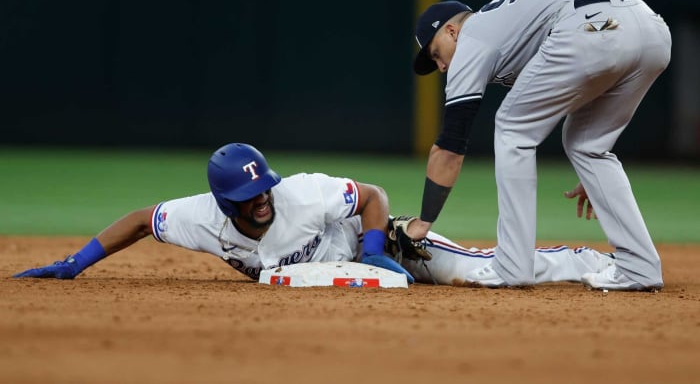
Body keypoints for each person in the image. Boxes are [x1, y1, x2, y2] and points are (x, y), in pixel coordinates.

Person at [13, 143, 614, 285]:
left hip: (374, 247)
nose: (263, 199)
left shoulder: (300, 192)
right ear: (225, 206)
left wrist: (379, 249)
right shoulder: (201, 218)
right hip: (324, 280)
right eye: (250, 198)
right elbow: (144, 218)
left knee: (483, 273)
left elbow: (373, 194)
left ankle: (591, 262)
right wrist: (76, 263)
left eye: (264, 188)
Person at [404, 0, 671, 291]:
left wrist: (423, 223)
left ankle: (512, 265)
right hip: (652, 31)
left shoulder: (472, 35)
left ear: (451, 31)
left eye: (436, 54)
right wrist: (592, 174)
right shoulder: (509, 27)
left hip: (593, 27)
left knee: (512, 128)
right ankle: (639, 267)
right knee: (587, 146)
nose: (442, 67)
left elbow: (451, 144)